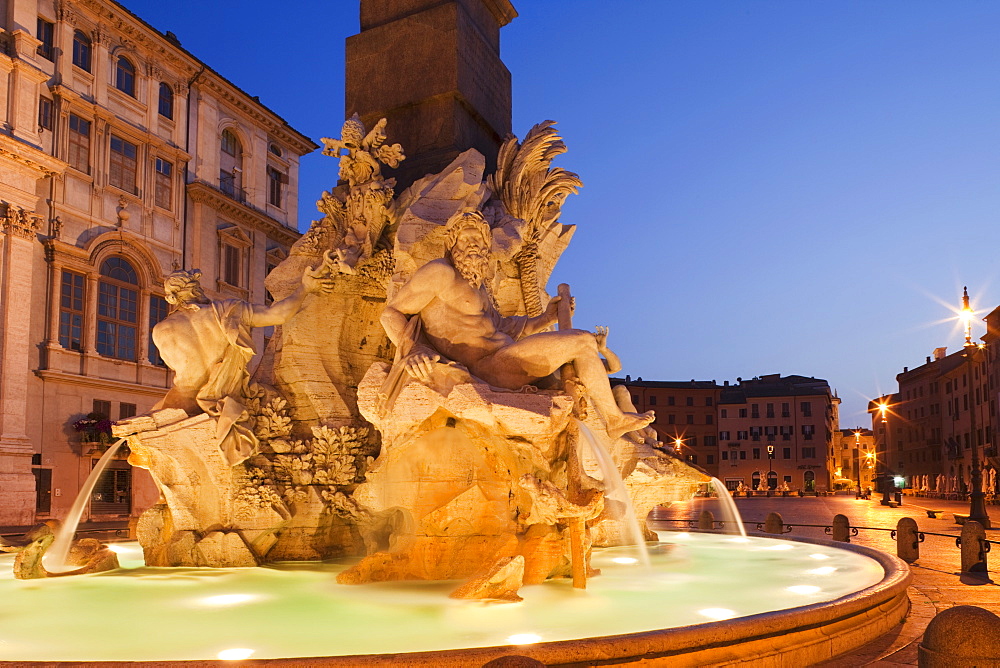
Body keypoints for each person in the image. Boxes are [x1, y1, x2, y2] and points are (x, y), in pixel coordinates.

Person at [380, 210, 653, 439]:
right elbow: (391, 312)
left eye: (480, 239)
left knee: (583, 351)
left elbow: (507, 328)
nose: (475, 244)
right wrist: (413, 349)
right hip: (489, 368)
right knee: (583, 340)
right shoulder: (440, 273)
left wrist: (547, 318)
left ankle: (615, 416)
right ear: (453, 243)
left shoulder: (480, 287)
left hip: (507, 357)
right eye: (467, 237)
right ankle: (614, 419)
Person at [152, 256, 335, 465]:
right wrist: (305, 288)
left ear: (172, 298)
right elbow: (278, 314)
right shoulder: (228, 311)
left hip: (183, 402)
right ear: (196, 289)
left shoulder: (160, 330)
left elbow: (176, 367)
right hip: (222, 397)